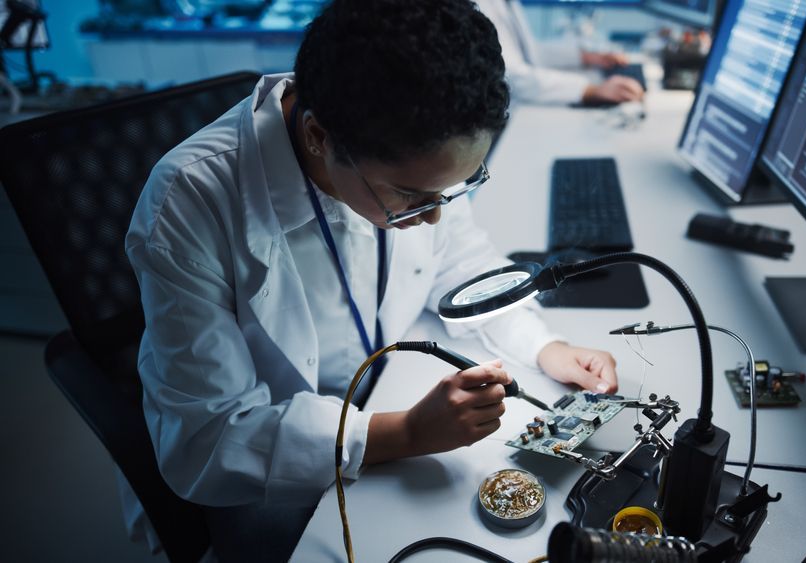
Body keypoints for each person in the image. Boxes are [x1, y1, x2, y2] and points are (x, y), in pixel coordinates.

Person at [124, 0, 619, 560]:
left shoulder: (414, 144)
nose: (433, 215)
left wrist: (543, 346)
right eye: (411, 198)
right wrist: (403, 434)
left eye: (454, 187)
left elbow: (461, 261)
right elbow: (208, 441)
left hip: (393, 386)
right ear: (317, 136)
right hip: (275, 461)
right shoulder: (189, 203)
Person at [476, 0, 645, 106]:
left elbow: (533, 52)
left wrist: (588, 57)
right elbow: (512, 78)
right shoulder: (477, 5)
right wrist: (590, 90)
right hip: (495, 122)